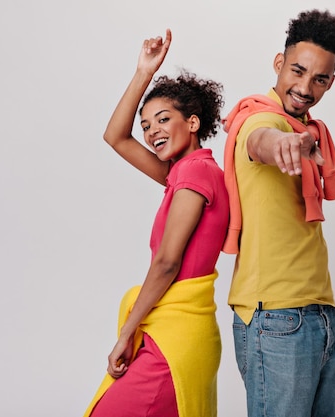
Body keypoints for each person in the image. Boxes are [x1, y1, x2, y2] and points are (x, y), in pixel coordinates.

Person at [83, 29, 229, 417]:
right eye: (147, 126)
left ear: (194, 122)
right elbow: (116, 136)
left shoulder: (195, 175)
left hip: (174, 338)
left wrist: (126, 334)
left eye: (163, 120)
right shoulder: (183, 173)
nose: (151, 132)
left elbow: (167, 262)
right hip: (169, 330)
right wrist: (143, 73)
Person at [222, 9, 335, 417]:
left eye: (320, 78)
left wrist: (299, 141)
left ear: (331, 81)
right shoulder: (258, 120)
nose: (305, 87)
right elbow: (261, 140)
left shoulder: (310, 131)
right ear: (279, 64)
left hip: (320, 310)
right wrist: (281, 146)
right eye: (297, 70)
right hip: (274, 317)